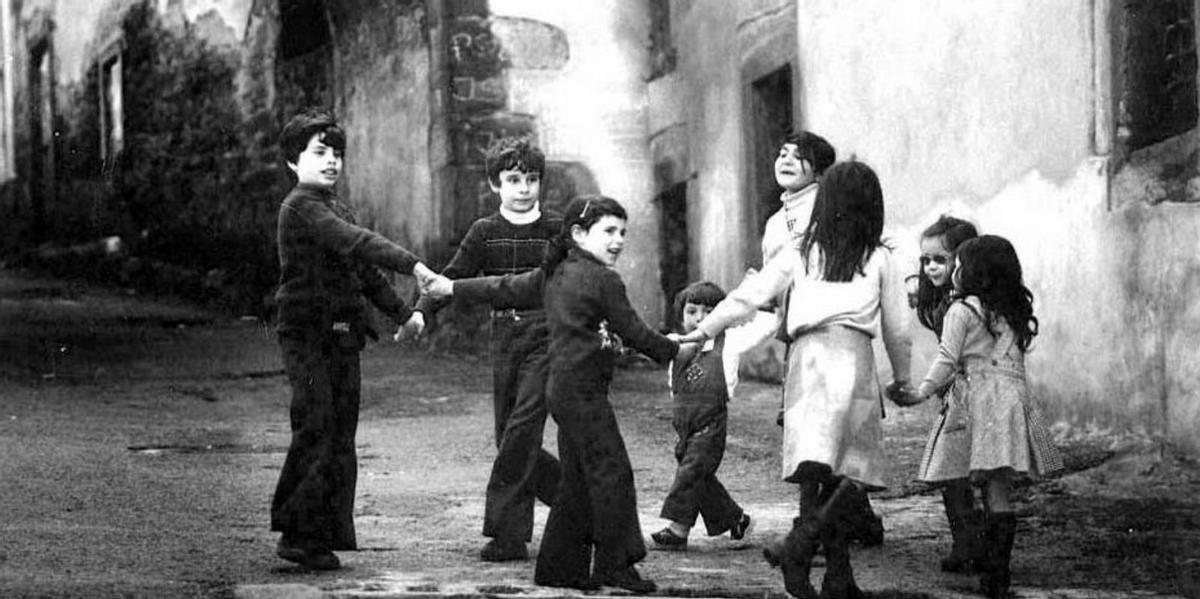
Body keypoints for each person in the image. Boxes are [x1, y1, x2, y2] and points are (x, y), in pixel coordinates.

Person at [673, 161, 914, 598]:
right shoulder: (880, 258)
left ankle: (833, 575)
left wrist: (701, 331)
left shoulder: (802, 251)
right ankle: (801, 546)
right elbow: (898, 329)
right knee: (850, 471)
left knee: (814, 469)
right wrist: (902, 379)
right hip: (852, 360)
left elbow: (749, 295)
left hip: (805, 361)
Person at [423, 195, 679, 593]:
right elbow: (635, 333)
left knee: (578, 479)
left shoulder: (555, 272)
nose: (618, 240)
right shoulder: (604, 279)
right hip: (584, 396)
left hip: (561, 392)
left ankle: (559, 568)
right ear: (578, 233)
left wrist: (450, 286)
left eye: (623, 233)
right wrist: (677, 350)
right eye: (609, 231)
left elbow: (503, 287)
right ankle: (615, 566)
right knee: (614, 474)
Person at [270, 109, 436, 570]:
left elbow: (363, 271)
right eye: (319, 152)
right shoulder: (302, 206)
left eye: (337, 154)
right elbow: (358, 242)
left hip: (344, 336)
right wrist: (415, 265)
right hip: (306, 334)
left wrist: (403, 314)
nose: (331, 162)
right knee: (316, 424)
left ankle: (320, 536)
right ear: (292, 162)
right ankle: (296, 533)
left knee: (340, 434)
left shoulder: (336, 206)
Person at [413, 137, 562, 562]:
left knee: (522, 430)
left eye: (532, 179)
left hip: (547, 338)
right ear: (495, 184)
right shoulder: (484, 231)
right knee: (509, 437)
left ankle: (508, 534)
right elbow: (452, 276)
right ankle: (578, 502)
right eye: (513, 179)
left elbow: (574, 280)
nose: (524, 188)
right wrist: (422, 312)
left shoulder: (554, 229)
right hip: (505, 339)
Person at [913, 235, 1063, 599]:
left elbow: (948, 357)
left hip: (978, 402)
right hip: (1011, 402)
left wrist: (921, 391)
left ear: (975, 272)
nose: (954, 273)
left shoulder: (960, 311)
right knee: (999, 490)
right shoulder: (1011, 311)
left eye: (959, 266)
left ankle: (987, 569)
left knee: (974, 481)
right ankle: (998, 576)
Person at [761, 131, 885, 547]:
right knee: (809, 430)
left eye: (800, 156)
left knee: (838, 430)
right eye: (782, 152)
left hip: (836, 334)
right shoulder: (776, 223)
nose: (787, 159)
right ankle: (817, 520)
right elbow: (773, 281)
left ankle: (831, 522)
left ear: (820, 171)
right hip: (801, 334)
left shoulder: (830, 205)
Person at [649, 281, 765, 551]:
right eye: (692, 311)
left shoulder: (730, 341)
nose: (700, 319)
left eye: (709, 312)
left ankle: (678, 530)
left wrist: (762, 295)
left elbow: (765, 324)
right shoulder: (675, 344)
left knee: (690, 474)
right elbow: (650, 345)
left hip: (710, 427)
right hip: (684, 429)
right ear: (681, 315)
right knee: (699, 479)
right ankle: (737, 519)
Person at [910, 215, 984, 573]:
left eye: (940, 259)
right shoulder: (943, 302)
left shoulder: (968, 304)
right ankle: (967, 543)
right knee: (952, 472)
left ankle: (976, 544)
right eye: (925, 260)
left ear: (963, 260)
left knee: (964, 471)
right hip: (956, 395)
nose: (930, 267)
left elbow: (949, 357)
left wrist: (925, 389)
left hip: (972, 395)